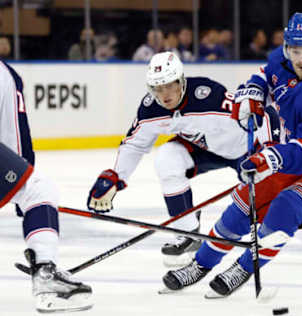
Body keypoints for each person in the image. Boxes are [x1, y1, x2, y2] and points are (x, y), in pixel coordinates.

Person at [162, 12, 302, 297]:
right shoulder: (282, 57)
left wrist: (269, 158)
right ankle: (200, 264)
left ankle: (243, 268)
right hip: (298, 150)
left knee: (287, 208)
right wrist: (253, 92)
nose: (301, 59)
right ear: (287, 46)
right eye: (295, 50)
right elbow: (265, 76)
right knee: (244, 205)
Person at [86, 52, 278, 266]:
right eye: (158, 88)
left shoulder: (210, 96)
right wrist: (115, 177)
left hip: (247, 151)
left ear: (181, 81)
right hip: (203, 149)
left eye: (169, 85)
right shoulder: (151, 109)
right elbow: (135, 144)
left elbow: (263, 113)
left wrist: (268, 152)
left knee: (276, 205)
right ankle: (187, 232)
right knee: (166, 159)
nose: (164, 94)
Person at [0, 61, 93, 312]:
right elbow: (14, 143)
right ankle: (45, 274)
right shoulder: (4, 74)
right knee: (38, 189)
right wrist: (24, 198)